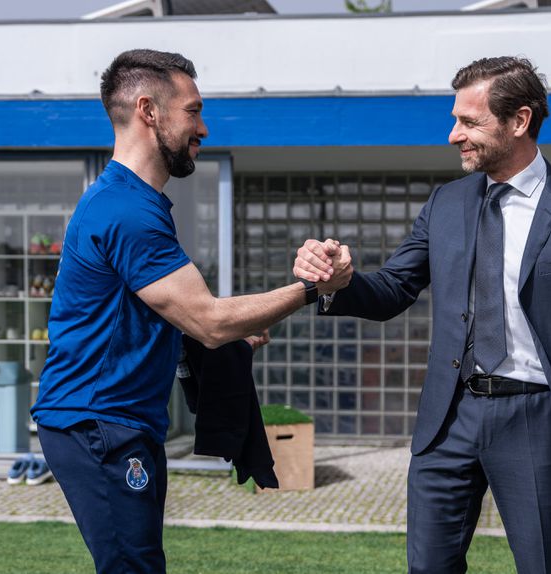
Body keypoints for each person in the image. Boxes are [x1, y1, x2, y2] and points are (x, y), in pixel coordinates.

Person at [294, 56, 551, 573]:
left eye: (469, 121)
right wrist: (340, 282)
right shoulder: (446, 203)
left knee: (546, 565)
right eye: (455, 119)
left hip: (537, 419)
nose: (453, 135)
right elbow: (393, 289)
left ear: (519, 121)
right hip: (447, 418)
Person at [30, 49, 351, 574]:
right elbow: (209, 319)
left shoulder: (132, 202)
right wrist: (314, 287)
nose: (203, 127)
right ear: (148, 111)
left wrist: (226, 338)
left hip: (119, 421)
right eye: (193, 111)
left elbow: (158, 319)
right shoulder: (127, 211)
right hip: (97, 424)